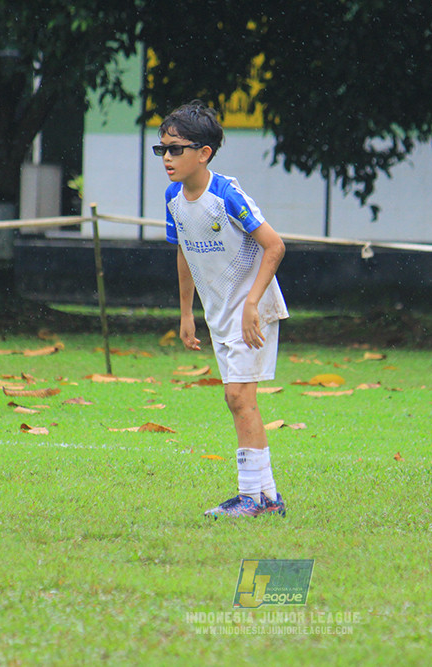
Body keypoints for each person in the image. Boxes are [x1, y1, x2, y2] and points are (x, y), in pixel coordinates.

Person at [157, 100, 289, 518]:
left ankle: (250, 498)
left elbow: (275, 246)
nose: (166, 158)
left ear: (204, 153)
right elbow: (183, 253)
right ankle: (268, 499)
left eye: (175, 149)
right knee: (239, 399)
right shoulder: (173, 197)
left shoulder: (227, 195)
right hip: (219, 311)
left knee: (237, 397)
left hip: (251, 310)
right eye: (161, 149)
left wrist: (251, 304)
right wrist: (186, 313)